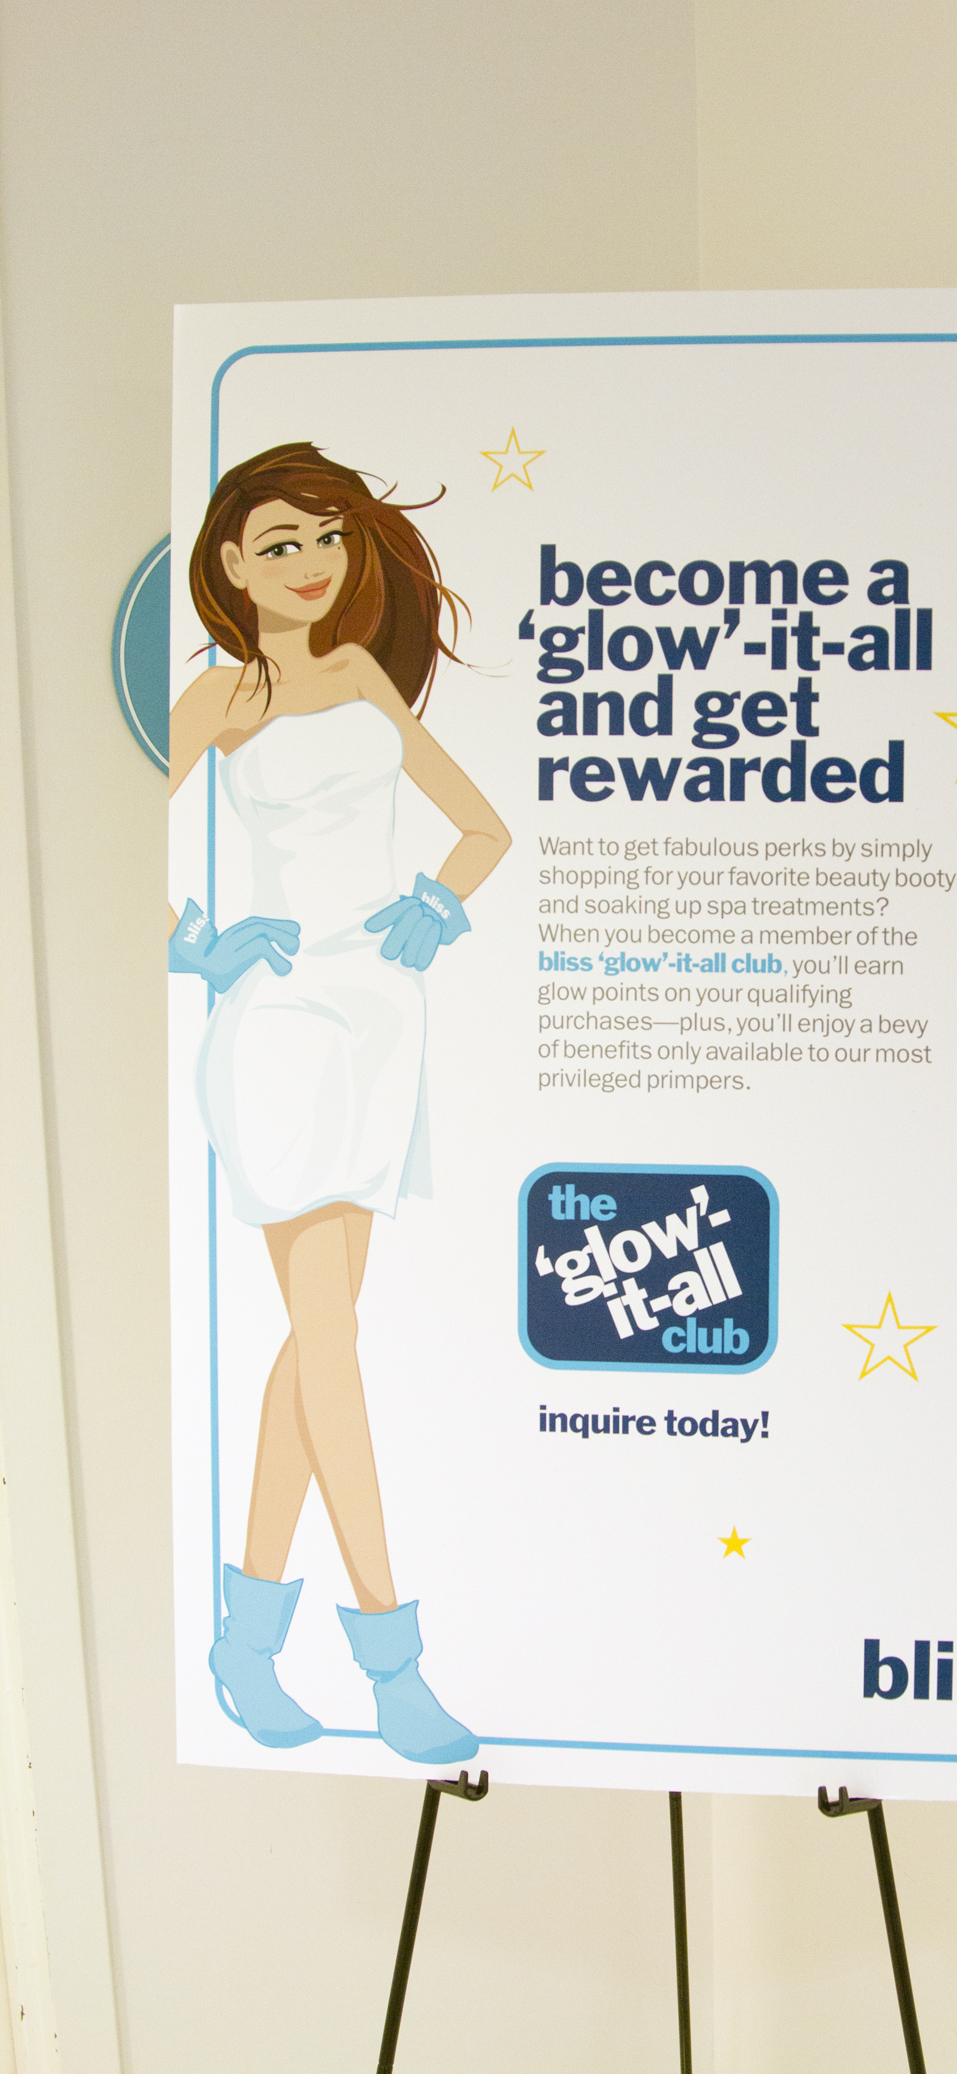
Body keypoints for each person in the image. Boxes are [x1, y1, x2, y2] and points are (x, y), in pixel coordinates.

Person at [168, 442, 510, 1764]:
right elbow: (103, 826)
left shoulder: (362, 673)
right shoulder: (224, 694)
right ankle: (390, 1659)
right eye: (279, 543)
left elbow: (481, 828)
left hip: (379, 1022)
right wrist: (195, 945)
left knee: (320, 1340)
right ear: (230, 564)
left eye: (324, 538)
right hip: (281, 1024)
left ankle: (245, 1646)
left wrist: (438, 902)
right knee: (329, 1340)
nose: (308, 563)